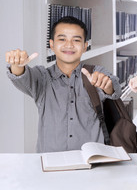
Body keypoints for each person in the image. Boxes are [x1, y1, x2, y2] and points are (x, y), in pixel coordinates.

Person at [5, 16, 122, 153]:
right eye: (62, 39)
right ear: (52, 45)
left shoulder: (96, 73)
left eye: (76, 40)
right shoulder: (42, 77)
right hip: (52, 162)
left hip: (92, 160)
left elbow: (114, 88)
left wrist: (107, 85)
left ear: (85, 46)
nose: (69, 45)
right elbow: (20, 76)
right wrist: (17, 65)